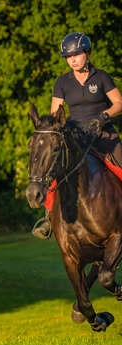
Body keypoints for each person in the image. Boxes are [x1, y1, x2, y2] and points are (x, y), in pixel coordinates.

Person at [32, 33, 122, 239]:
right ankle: (47, 219)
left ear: (87, 54)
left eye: (76, 54)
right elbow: (55, 113)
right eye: (68, 56)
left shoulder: (101, 77)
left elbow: (119, 103)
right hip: (75, 135)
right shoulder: (62, 82)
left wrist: (104, 115)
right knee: (56, 169)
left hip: (103, 133)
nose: (72, 59)